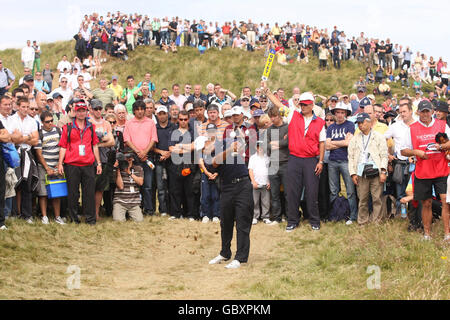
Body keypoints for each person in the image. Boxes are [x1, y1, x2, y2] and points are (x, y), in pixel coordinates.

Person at [208, 109, 254, 269]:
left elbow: (248, 143)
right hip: (227, 187)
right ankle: (224, 252)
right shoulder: (215, 146)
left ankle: (240, 257)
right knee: (225, 222)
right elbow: (214, 163)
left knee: (242, 222)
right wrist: (229, 149)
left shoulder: (238, 139)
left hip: (243, 185)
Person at [400, 100, 450, 241]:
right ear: (418, 112)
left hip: (441, 170)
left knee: (445, 202)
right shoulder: (412, 128)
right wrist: (416, 152)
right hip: (423, 172)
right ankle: (427, 234)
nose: (425, 114)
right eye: (423, 111)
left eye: (428, 111)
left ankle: (447, 234)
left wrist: (442, 146)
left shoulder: (441, 125)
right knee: (426, 203)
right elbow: (403, 151)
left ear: (432, 111)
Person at [58, 99, 102, 225]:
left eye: (83, 111)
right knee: (73, 193)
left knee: (89, 193)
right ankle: (74, 218)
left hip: (88, 164)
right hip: (72, 164)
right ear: (75, 112)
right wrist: (60, 163)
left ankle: (90, 218)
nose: (81, 113)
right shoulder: (68, 127)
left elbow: (95, 146)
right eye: (79, 111)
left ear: (87, 112)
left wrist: (98, 163)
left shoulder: (91, 127)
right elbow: (63, 146)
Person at [348, 112, 388, 225]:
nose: (360, 125)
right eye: (358, 123)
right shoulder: (354, 139)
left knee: (377, 198)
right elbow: (350, 158)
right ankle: (362, 221)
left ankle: (377, 221)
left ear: (369, 122)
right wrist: (353, 173)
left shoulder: (379, 137)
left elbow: (384, 155)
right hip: (361, 172)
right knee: (362, 199)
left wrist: (383, 171)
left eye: (362, 122)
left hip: (376, 170)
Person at [384, 97, 416, 225]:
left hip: (415, 163)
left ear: (411, 111)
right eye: (400, 112)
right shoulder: (395, 126)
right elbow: (382, 139)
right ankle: (400, 216)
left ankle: (413, 215)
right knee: (400, 191)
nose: (402, 114)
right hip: (400, 163)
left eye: (405, 111)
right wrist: (388, 155)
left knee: (414, 190)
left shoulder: (417, 124)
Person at [123, 100, 158, 216]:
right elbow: (127, 139)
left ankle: (149, 209)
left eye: (142, 109)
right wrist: (138, 152)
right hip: (134, 157)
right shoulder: (129, 123)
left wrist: (144, 152)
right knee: (133, 184)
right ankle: (135, 209)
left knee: (148, 185)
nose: (139, 111)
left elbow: (153, 139)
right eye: (137, 109)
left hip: (147, 157)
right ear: (133, 111)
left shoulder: (151, 123)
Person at [325, 102, 358, 224]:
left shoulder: (349, 125)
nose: (339, 115)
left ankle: (352, 216)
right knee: (333, 190)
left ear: (345, 114)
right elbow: (327, 146)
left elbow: (348, 143)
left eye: (342, 112)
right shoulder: (331, 127)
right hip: (332, 161)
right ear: (334, 113)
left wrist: (335, 142)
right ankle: (335, 214)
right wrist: (342, 142)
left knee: (350, 190)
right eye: (337, 112)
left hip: (346, 160)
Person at [9, 97, 39, 222]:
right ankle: (14, 213)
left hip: (27, 153)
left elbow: (35, 140)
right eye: (23, 107)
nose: (26, 109)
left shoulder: (32, 121)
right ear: (17, 106)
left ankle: (27, 215)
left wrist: (21, 137)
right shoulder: (11, 120)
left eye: (28, 107)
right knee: (14, 183)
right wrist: (27, 137)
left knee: (27, 184)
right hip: (14, 153)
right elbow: (12, 138)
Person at [34, 111, 65, 225]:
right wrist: (47, 167)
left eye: (52, 121)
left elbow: (63, 147)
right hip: (44, 166)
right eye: (47, 122)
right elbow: (39, 152)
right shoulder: (39, 133)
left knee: (57, 192)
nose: (50, 123)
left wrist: (59, 163)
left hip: (57, 165)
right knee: (43, 193)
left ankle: (57, 216)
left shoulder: (58, 131)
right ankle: (44, 216)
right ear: (42, 123)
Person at [168, 110, 196, 220]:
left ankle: (190, 214)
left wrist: (180, 146)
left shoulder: (192, 131)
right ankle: (175, 213)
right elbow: (171, 148)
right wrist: (186, 148)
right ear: (178, 119)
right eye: (181, 119)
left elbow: (194, 146)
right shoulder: (173, 131)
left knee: (189, 191)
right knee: (175, 190)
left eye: (185, 119)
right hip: (175, 164)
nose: (183, 121)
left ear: (188, 119)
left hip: (189, 163)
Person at [264, 106, 289, 225]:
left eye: (274, 116)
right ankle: (277, 218)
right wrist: (276, 144)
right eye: (271, 117)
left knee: (288, 193)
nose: (272, 119)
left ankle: (290, 216)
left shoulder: (287, 127)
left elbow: (289, 142)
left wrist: (277, 143)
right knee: (274, 193)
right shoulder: (269, 130)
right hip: (273, 163)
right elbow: (265, 145)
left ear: (280, 115)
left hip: (286, 163)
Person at [153, 105, 175, 216]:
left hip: (172, 160)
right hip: (159, 160)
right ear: (157, 115)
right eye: (159, 114)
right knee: (160, 187)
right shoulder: (154, 128)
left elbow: (177, 143)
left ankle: (172, 209)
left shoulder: (173, 127)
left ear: (167, 114)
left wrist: (169, 153)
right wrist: (161, 152)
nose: (162, 116)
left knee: (172, 187)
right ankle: (163, 210)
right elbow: (151, 146)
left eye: (164, 113)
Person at [197, 123, 220, 223]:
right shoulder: (203, 143)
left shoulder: (220, 144)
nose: (211, 133)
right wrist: (206, 172)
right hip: (205, 173)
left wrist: (217, 173)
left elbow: (222, 161)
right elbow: (200, 160)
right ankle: (205, 214)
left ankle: (216, 214)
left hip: (217, 173)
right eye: (209, 131)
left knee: (215, 195)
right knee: (205, 195)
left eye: (213, 131)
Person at [113, 153, 144, 222]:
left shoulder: (138, 168)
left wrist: (129, 172)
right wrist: (118, 170)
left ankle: (130, 214)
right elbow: (120, 186)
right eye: (125, 160)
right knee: (118, 221)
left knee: (139, 220)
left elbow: (140, 182)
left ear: (132, 159)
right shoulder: (118, 169)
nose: (127, 162)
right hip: (120, 201)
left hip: (134, 202)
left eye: (129, 160)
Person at [249, 140, 271, 225]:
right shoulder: (253, 158)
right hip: (255, 183)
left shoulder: (267, 158)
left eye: (262, 147)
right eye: (259, 147)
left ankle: (266, 217)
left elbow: (269, 170)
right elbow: (250, 170)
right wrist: (253, 181)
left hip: (265, 183)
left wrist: (269, 181)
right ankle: (255, 217)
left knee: (266, 201)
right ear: (256, 148)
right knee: (255, 201)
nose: (260, 148)